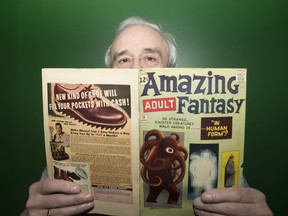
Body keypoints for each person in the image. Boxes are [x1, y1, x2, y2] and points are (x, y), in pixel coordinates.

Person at [21, 16, 273, 216]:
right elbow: (42, 205)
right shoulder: (74, 147)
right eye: (123, 60)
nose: (136, 68)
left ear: (171, 71)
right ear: (108, 72)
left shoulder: (215, 152)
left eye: (150, 57)